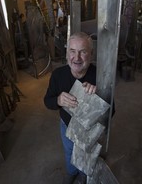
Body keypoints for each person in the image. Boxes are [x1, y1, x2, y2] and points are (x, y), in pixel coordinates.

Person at [44, 32, 96, 184]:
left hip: (90, 129)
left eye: (83, 52)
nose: (77, 58)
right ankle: (71, 172)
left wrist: (97, 97)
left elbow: (111, 111)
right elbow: (47, 101)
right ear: (67, 54)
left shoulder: (99, 75)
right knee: (69, 152)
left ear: (91, 54)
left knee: (87, 154)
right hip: (66, 126)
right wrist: (58, 100)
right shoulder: (58, 75)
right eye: (72, 51)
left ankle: (83, 175)